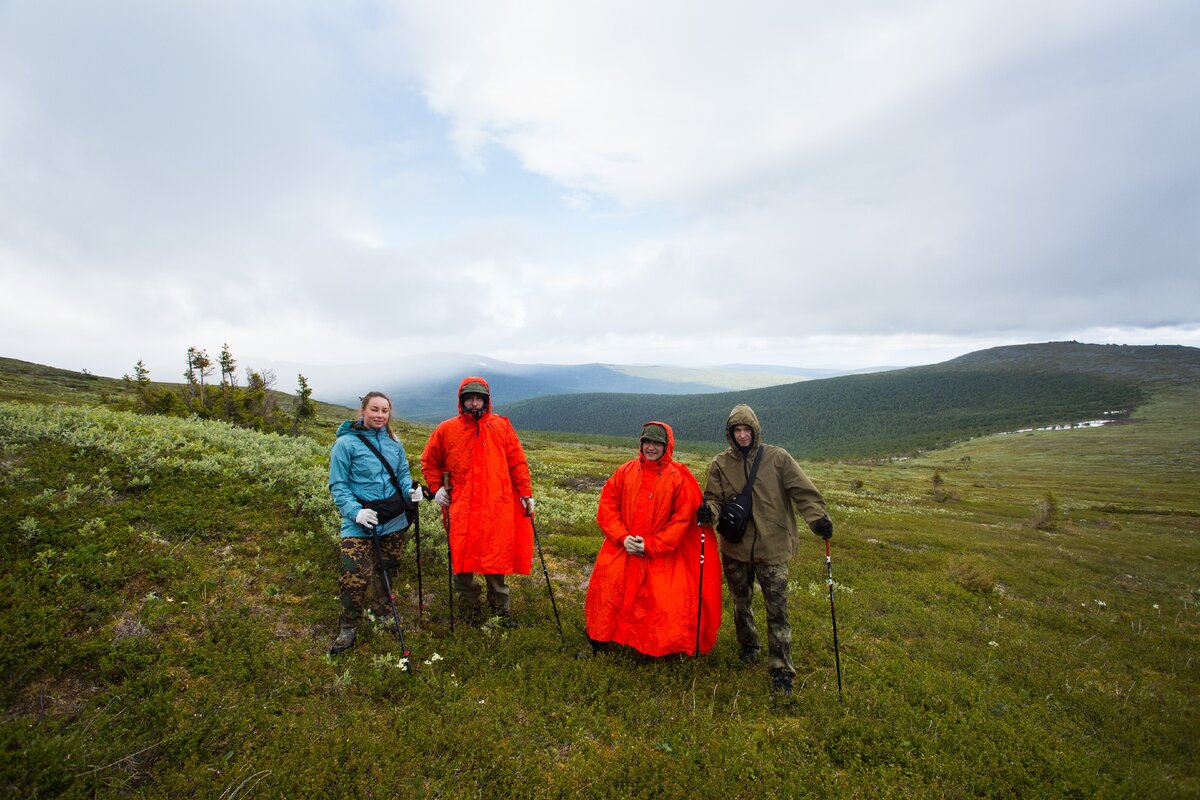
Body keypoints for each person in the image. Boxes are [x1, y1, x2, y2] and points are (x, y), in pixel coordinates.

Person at [698, 403, 834, 694]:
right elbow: (714, 498)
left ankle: (782, 669)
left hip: (773, 547)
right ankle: (749, 647)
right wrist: (709, 513)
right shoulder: (721, 463)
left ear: (755, 431)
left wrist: (818, 519)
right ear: (730, 433)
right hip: (735, 547)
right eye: (738, 430)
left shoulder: (778, 458)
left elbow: (802, 491)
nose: (743, 435)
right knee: (740, 604)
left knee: (777, 609)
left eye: (747, 429)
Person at [585, 421, 723, 657]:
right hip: (623, 548)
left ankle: (657, 648)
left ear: (667, 446)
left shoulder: (678, 478)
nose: (651, 447)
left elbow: (681, 521)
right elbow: (607, 506)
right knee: (607, 592)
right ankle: (600, 641)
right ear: (641, 443)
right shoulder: (625, 471)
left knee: (662, 602)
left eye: (657, 443)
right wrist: (622, 537)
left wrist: (650, 545)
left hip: (660, 553)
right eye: (647, 442)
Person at [421, 377, 534, 627]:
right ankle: (468, 607)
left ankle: (500, 608)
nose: (474, 403)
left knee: (496, 556)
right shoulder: (446, 429)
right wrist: (436, 488)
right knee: (463, 557)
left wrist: (526, 493)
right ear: (461, 401)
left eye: (479, 398)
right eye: (469, 398)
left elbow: (517, 463)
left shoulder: (502, 427)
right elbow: (430, 462)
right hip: (461, 506)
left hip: (497, 505)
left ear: (486, 400)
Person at [328, 391, 424, 655]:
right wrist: (355, 512)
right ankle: (349, 625)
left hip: (392, 520)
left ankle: (381, 611)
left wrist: (410, 491)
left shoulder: (395, 442)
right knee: (354, 573)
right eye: (374, 409)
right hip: (359, 522)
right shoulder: (345, 444)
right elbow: (338, 485)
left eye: (384, 410)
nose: (380, 415)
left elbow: (403, 475)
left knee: (388, 569)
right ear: (363, 411)